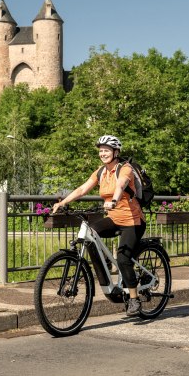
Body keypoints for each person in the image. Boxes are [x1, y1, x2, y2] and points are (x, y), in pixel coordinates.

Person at [52, 135, 146, 316]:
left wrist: (115, 200)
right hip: (113, 218)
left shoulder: (124, 169)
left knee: (123, 259)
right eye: (101, 150)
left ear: (116, 152)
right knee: (90, 231)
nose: (103, 153)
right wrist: (63, 203)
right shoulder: (101, 172)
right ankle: (106, 271)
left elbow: (121, 185)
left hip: (132, 221)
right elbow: (82, 189)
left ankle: (134, 300)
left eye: (107, 150)